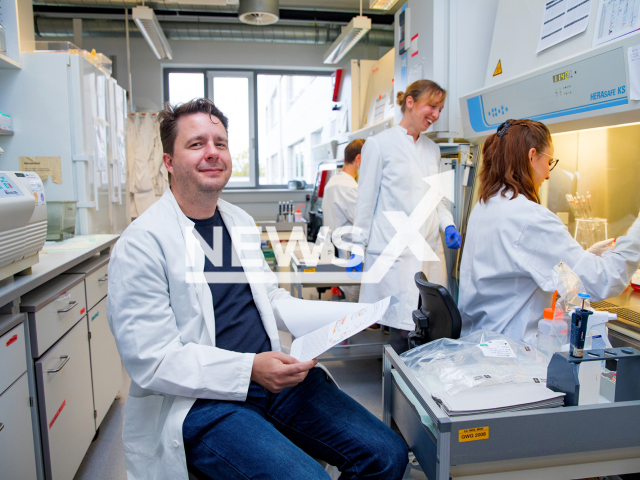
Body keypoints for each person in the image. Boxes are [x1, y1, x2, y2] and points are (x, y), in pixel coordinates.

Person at [107, 98, 408, 480]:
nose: (212, 153)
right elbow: (153, 360)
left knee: (387, 453)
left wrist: (352, 316)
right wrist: (250, 369)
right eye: (196, 144)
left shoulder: (239, 222)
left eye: (220, 142)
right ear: (169, 161)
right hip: (203, 401)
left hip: (275, 381)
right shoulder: (142, 244)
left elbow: (271, 298)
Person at [458, 119, 640, 344]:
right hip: (511, 356)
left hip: (479, 343)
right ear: (532, 156)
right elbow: (601, 281)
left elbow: (517, 264)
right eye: (550, 161)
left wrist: (586, 256)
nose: (548, 175)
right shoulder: (529, 217)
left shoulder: (486, 204)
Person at [349, 80, 462, 354]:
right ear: (410, 102)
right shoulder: (378, 145)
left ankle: (421, 385)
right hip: (394, 250)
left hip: (428, 249)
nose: (435, 115)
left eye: (440, 109)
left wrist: (448, 224)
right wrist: (356, 249)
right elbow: (365, 203)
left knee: (429, 324)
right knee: (402, 329)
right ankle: (402, 391)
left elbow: (437, 199)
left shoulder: (432, 150)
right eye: (431, 106)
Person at [322, 138, 365, 302]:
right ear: (359, 159)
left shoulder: (332, 182)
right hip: (350, 258)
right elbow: (363, 221)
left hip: (336, 254)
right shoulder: (349, 187)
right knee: (355, 315)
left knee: (345, 310)